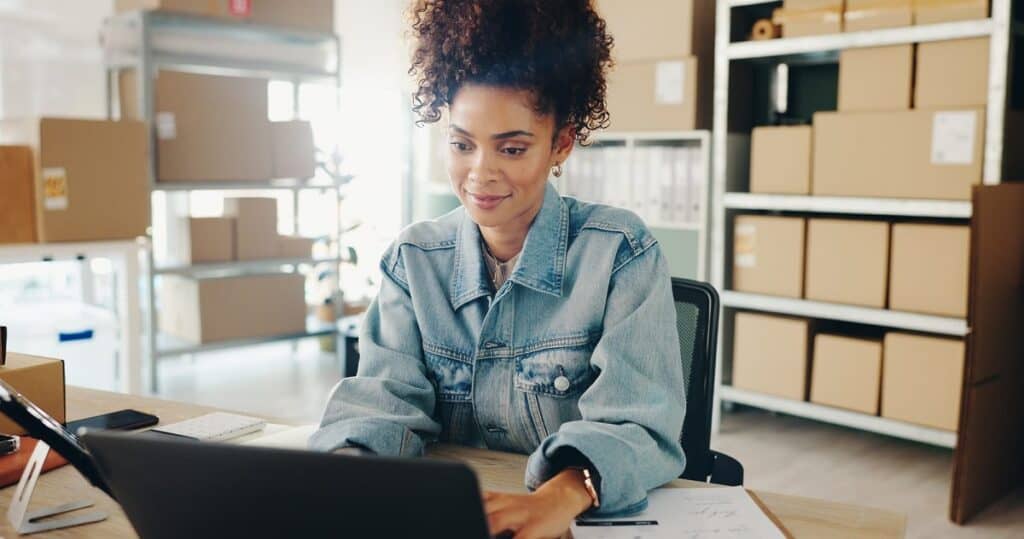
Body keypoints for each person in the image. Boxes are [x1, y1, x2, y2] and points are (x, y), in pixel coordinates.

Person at [310, 1, 686, 537]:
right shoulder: (412, 261)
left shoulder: (621, 253)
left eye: (511, 148)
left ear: (561, 144)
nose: (480, 174)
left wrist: (558, 498)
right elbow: (383, 402)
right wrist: (345, 472)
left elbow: (638, 424)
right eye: (462, 144)